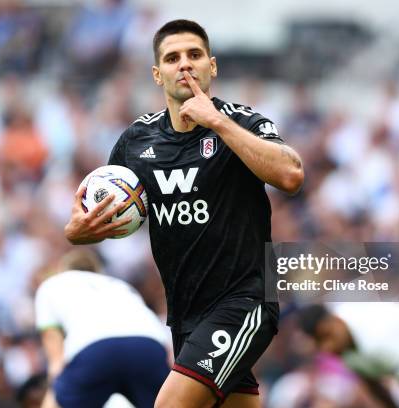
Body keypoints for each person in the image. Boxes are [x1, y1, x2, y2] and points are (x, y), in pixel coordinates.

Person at [64, 19, 304, 407]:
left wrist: (217, 122)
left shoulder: (241, 121)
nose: (185, 64)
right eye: (173, 58)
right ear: (158, 75)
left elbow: (291, 175)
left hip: (245, 300)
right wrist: (79, 232)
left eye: (194, 55)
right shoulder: (136, 141)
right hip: (186, 314)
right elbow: (113, 217)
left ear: (212, 66)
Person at [34, 249, 170, 408]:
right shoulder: (120, 285)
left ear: (63, 270)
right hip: (149, 347)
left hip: (95, 350)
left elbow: (56, 363)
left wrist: (57, 392)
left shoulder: (51, 285)